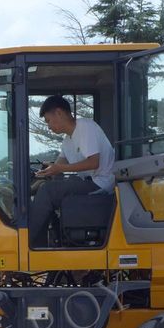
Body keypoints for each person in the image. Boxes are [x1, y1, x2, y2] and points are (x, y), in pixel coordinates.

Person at [29, 95, 115, 246]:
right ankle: (54, 240)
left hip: (101, 182)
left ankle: (29, 242)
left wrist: (58, 168)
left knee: (48, 192)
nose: (49, 126)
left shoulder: (85, 127)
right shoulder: (67, 141)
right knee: (44, 187)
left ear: (59, 113)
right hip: (87, 182)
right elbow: (57, 166)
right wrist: (43, 172)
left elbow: (94, 162)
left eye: (49, 120)